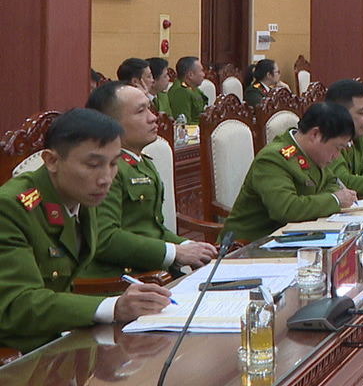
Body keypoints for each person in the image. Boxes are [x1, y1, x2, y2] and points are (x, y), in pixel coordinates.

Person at [0, 109, 173, 353]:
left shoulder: (82, 197)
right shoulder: (11, 207)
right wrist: (113, 307)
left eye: (113, 164)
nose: (106, 178)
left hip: (62, 338)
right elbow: (18, 305)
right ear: (51, 161)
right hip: (19, 352)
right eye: (93, 165)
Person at [83, 82, 217, 278]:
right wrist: (174, 252)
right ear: (111, 123)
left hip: (154, 273)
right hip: (121, 280)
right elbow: (105, 238)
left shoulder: (142, 163)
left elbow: (153, 229)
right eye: (141, 111)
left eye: (150, 108)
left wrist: (188, 245)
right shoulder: (106, 169)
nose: (153, 117)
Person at [220, 102, 359, 243]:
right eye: (337, 147)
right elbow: (286, 209)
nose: (337, 155)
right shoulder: (273, 158)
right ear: (315, 134)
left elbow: (332, 183)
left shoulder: (314, 154)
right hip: (249, 245)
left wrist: (322, 200)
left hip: (294, 238)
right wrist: (335, 200)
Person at [166, 56, 208, 122]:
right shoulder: (179, 92)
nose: (204, 74)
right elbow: (184, 123)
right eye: (201, 71)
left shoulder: (193, 88)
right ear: (190, 75)